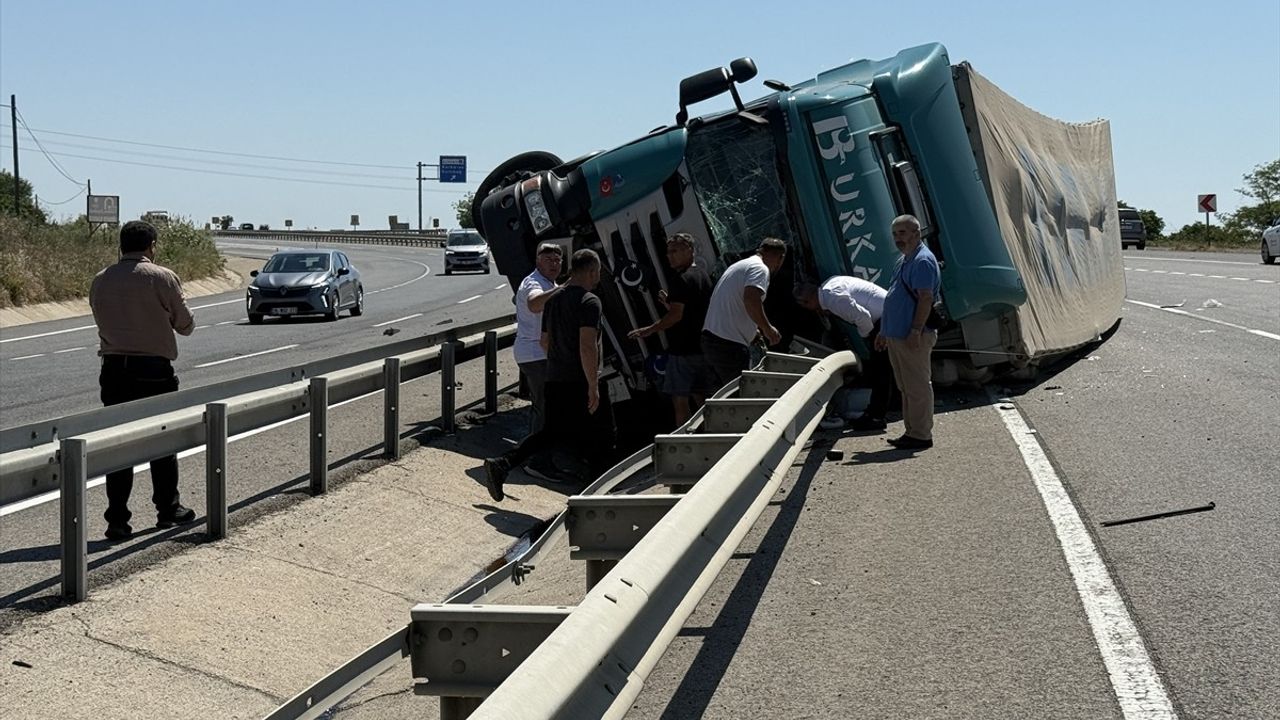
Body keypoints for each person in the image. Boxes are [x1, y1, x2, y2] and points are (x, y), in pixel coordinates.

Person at [89, 220, 197, 540]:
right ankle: (167, 509)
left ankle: (118, 520)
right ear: (152, 246)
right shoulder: (161, 277)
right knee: (162, 440)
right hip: (153, 370)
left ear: (121, 247)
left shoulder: (100, 280)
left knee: (119, 444)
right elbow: (186, 325)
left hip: (113, 370)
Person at [483, 249, 615, 501]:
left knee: (551, 433)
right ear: (591, 271)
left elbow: (545, 341)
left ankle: (502, 464)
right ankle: (598, 495)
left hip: (555, 376)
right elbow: (587, 346)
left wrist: (559, 361)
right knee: (604, 435)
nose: (597, 277)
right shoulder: (590, 301)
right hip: (578, 379)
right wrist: (592, 384)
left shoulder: (554, 299)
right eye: (597, 272)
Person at [627, 232, 714, 426]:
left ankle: (684, 440)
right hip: (702, 347)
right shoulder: (702, 275)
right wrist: (671, 304)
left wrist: (649, 329)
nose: (669, 256)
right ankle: (711, 430)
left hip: (683, 351)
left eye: (674, 251)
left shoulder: (681, 279)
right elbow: (691, 309)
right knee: (701, 396)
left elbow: (676, 315)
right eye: (668, 252)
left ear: (689, 250)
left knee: (679, 399)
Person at [795, 275, 896, 431]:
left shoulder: (832, 299)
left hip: (883, 320)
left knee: (880, 370)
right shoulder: (829, 286)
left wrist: (869, 338)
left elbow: (863, 317)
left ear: (808, 302)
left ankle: (876, 416)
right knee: (882, 369)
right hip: (886, 312)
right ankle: (876, 412)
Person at [875, 215, 941, 450]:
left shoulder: (922, 261)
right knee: (906, 386)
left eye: (902, 233)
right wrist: (884, 330)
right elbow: (893, 295)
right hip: (897, 334)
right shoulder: (903, 260)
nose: (898, 239)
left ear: (916, 233)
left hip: (913, 335)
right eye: (895, 234)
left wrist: (915, 329)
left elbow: (925, 298)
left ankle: (922, 434)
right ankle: (912, 431)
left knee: (918, 385)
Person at [701, 238, 786, 391]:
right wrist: (767, 328)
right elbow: (751, 299)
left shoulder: (741, 265)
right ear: (780, 258)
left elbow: (735, 304)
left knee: (724, 398)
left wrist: (752, 332)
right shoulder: (760, 268)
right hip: (727, 345)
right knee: (741, 395)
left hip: (713, 341)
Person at [511, 242, 565, 479]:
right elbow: (534, 304)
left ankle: (537, 455)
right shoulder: (534, 282)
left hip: (541, 354)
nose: (554, 264)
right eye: (549, 259)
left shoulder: (550, 283)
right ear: (538, 262)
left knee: (546, 409)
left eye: (557, 260)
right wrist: (564, 289)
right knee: (545, 410)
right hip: (535, 355)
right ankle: (536, 461)